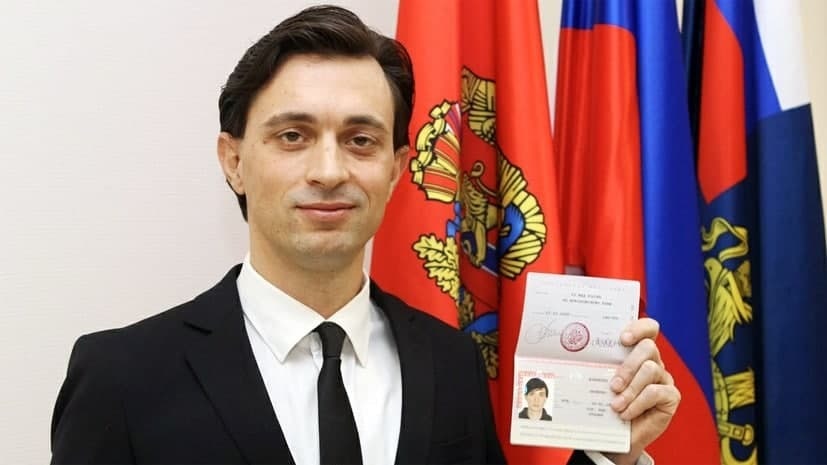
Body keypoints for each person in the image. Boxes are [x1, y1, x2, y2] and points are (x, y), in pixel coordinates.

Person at [50, 5, 680, 465]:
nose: (329, 171)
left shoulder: (453, 363)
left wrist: (615, 454)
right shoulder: (122, 376)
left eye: (360, 140)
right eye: (293, 136)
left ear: (398, 169)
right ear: (234, 161)